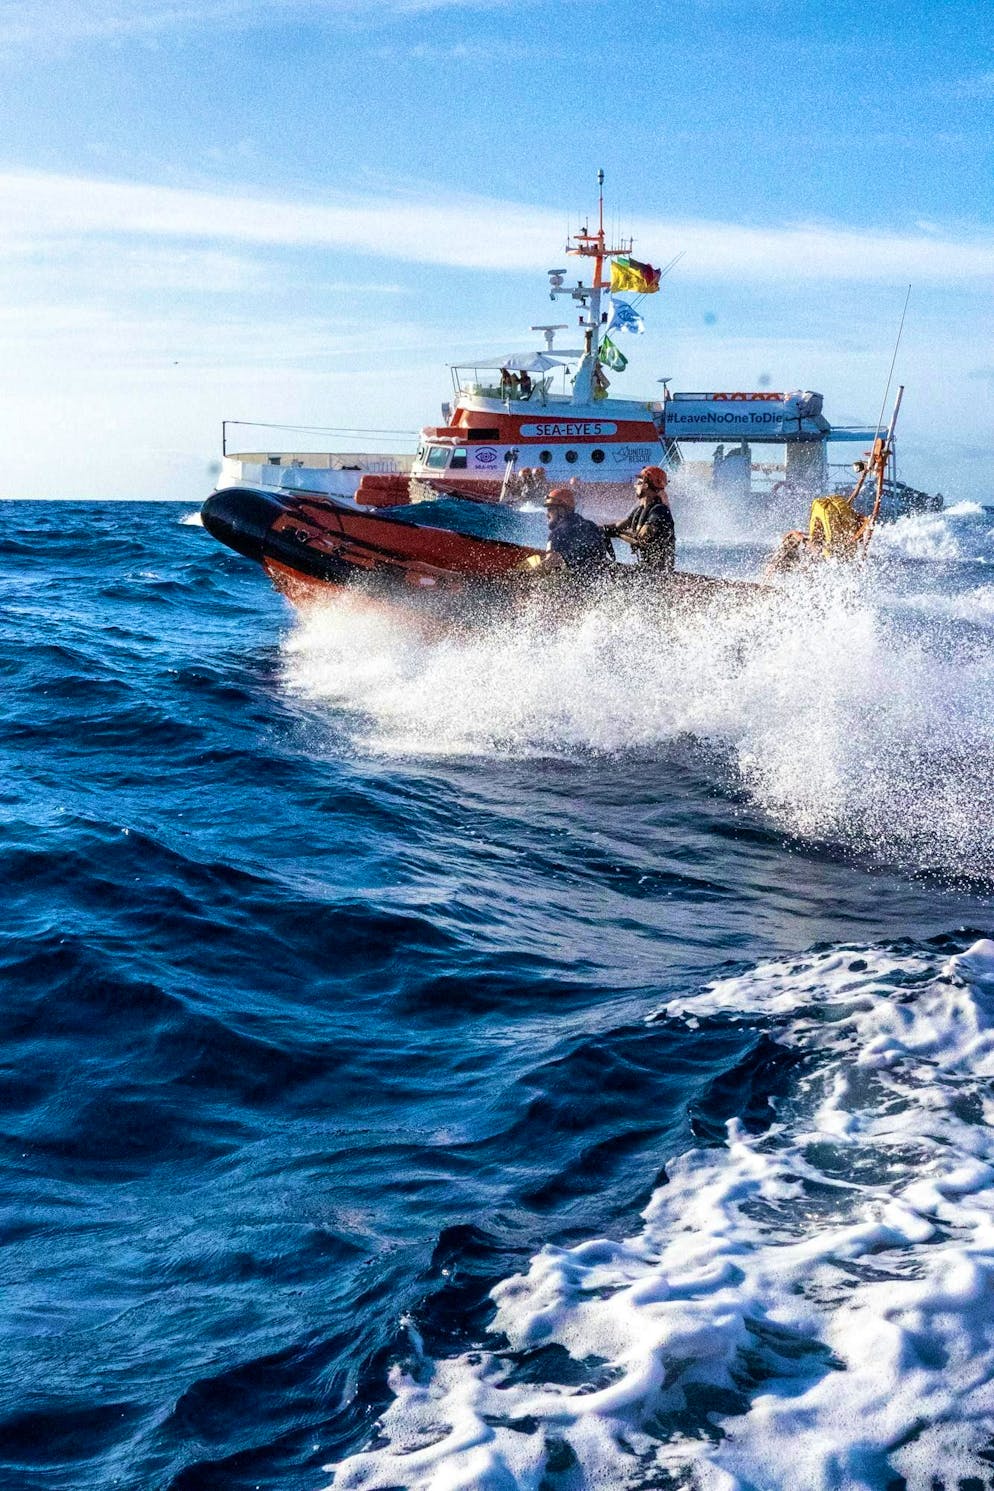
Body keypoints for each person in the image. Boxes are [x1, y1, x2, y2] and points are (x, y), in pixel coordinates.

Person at [602, 466, 676, 571]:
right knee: (603, 565)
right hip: (645, 569)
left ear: (645, 485)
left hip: (659, 573)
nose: (635, 485)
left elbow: (641, 540)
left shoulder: (659, 511)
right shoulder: (640, 510)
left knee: (606, 569)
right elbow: (618, 526)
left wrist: (615, 533)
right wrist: (596, 529)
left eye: (638, 482)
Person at [532, 487, 613, 575]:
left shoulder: (558, 532)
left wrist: (523, 575)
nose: (547, 514)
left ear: (561, 510)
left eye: (550, 509)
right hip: (602, 577)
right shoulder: (591, 525)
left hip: (580, 585)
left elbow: (551, 561)